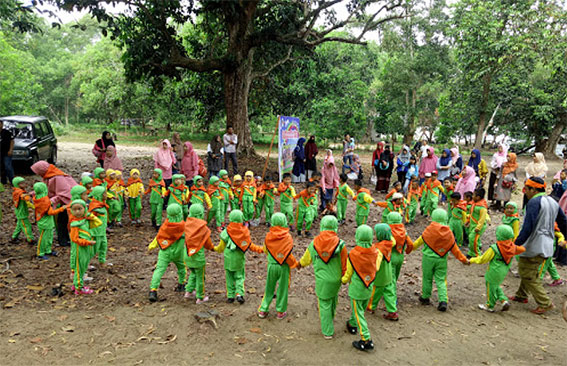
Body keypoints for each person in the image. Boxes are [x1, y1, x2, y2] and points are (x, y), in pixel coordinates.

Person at [512, 177, 567, 314]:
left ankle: (545, 303)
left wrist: (516, 244)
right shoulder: (553, 201)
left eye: (527, 189)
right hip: (548, 243)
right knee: (529, 269)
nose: (525, 192)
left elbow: (528, 226)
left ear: (533, 189)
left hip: (534, 243)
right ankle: (521, 295)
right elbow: (563, 222)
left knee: (527, 272)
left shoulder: (534, 202)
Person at [299, 215, 347, 339]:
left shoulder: (314, 243)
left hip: (322, 280)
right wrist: (345, 277)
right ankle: (331, 318)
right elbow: (344, 263)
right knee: (333, 299)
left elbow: (306, 259)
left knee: (324, 303)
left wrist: (299, 264)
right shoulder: (341, 244)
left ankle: (328, 331)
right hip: (336, 280)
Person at [413, 209, 469, 312]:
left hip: (428, 259)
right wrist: (464, 260)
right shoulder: (449, 233)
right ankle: (443, 300)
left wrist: (408, 248)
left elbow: (418, 242)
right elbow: (455, 249)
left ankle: (425, 297)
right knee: (441, 280)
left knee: (427, 278)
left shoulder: (428, 230)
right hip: (442, 259)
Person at [342, 224, 381, 352]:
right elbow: (377, 268)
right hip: (369, 287)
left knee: (359, 314)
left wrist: (343, 280)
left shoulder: (353, 254)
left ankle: (366, 340)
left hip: (356, 289)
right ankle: (352, 325)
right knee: (359, 310)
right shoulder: (376, 252)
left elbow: (348, 273)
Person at [470, 225, 526, 312]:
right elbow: (522, 249)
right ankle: (503, 300)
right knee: (495, 285)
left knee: (490, 287)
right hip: (503, 271)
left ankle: (490, 305)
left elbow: (483, 259)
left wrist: (471, 260)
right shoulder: (513, 247)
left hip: (493, 271)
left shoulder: (494, 248)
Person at [214, 210, 263, 303]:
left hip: (228, 258)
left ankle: (230, 296)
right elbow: (250, 246)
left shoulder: (226, 232)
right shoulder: (244, 232)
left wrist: (213, 248)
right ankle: (239, 294)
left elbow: (220, 247)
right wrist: (261, 249)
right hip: (239, 258)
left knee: (229, 276)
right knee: (239, 276)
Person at [258, 213, 299, 320]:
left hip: (272, 265)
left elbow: (266, 250)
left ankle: (263, 309)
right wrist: (295, 264)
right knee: (282, 288)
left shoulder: (268, 236)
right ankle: (280, 311)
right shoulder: (288, 237)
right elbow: (288, 255)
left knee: (269, 287)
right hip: (284, 266)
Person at [31, 161, 77, 247]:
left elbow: (65, 193)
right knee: (61, 221)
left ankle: (65, 240)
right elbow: (45, 189)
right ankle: (63, 239)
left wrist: (52, 201)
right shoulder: (47, 176)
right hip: (61, 203)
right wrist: (33, 193)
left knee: (63, 221)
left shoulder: (57, 177)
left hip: (67, 202)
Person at [147, 204, 187, 303]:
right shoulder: (184, 227)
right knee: (182, 268)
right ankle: (181, 284)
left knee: (159, 270)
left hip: (164, 251)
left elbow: (159, 236)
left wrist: (152, 245)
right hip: (179, 253)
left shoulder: (165, 226)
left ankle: (153, 290)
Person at [183, 203, 215, 304]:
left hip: (187, 255)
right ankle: (200, 297)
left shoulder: (186, 225)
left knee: (193, 273)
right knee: (200, 276)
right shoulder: (203, 228)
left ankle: (189, 291)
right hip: (198, 257)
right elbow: (208, 244)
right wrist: (214, 248)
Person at [68, 199, 98, 295]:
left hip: (85, 248)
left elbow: (98, 223)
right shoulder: (75, 224)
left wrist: (89, 215)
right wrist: (87, 242)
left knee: (83, 266)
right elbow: (75, 239)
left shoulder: (84, 220)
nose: (77, 212)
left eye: (80, 209)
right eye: (75, 209)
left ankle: (75, 284)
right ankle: (79, 288)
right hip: (79, 248)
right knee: (79, 268)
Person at [367, 224, 396, 320]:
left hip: (380, 277)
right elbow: (394, 240)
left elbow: (377, 265)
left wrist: (371, 271)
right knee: (389, 293)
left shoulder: (378, 249)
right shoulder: (390, 243)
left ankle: (371, 307)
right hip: (388, 275)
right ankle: (392, 311)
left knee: (375, 293)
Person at [33, 182, 67, 259]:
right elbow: (50, 212)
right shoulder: (45, 200)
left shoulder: (37, 198)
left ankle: (48, 250)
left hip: (46, 222)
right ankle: (40, 253)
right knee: (43, 238)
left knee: (49, 237)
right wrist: (62, 208)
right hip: (45, 223)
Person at [88, 186, 110, 266]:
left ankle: (102, 261)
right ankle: (87, 262)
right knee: (93, 249)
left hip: (102, 231)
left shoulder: (102, 204)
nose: (106, 194)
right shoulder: (94, 206)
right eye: (104, 193)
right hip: (95, 232)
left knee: (103, 246)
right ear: (99, 195)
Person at [10, 177, 35, 245]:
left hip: (21, 212)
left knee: (19, 225)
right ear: (17, 184)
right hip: (21, 213)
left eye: (24, 182)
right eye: (21, 183)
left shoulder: (19, 191)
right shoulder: (19, 192)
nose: (24, 184)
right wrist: (29, 197)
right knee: (26, 226)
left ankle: (14, 237)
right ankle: (30, 239)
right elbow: (23, 196)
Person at [0, 120, 15, 185]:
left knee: (8, 166)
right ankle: (3, 181)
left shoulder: (7, 132)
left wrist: (11, 150)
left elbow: (12, 141)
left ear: (2, 124)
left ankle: (12, 180)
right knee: (1, 167)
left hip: (7, 152)